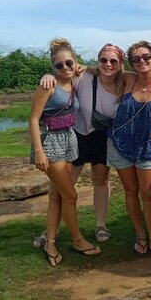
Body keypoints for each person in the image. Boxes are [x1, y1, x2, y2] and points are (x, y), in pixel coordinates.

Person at [33, 43, 126, 248]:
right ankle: (51, 230)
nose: (108, 64)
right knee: (62, 186)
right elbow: (62, 71)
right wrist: (48, 75)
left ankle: (100, 225)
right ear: (97, 61)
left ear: (120, 64)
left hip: (101, 136)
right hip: (77, 134)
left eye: (113, 61)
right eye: (103, 60)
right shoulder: (84, 76)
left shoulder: (125, 82)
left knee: (100, 180)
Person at [29, 38, 101, 266]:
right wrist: (39, 152)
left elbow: (100, 70)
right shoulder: (47, 86)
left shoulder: (73, 81)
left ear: (75, 61)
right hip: (50, 143)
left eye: (69, 63)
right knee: (70, 195)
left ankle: (50, 241)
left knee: (56, 195)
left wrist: (82, 67)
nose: (65, 68)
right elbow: (32, 119)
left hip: (69, 139)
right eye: (59, 66)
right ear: (52, 68)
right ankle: (77, 239)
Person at [108, 40, 151, 259]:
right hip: (121, 144)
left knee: (149, 194)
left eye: (145, 57)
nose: (141, 61)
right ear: (131, 63)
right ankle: (140, 235)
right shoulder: (127, 79)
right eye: (136, 59)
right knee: (131, 192)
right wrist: (76, 67)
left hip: (148, 146)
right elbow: (101, 71)